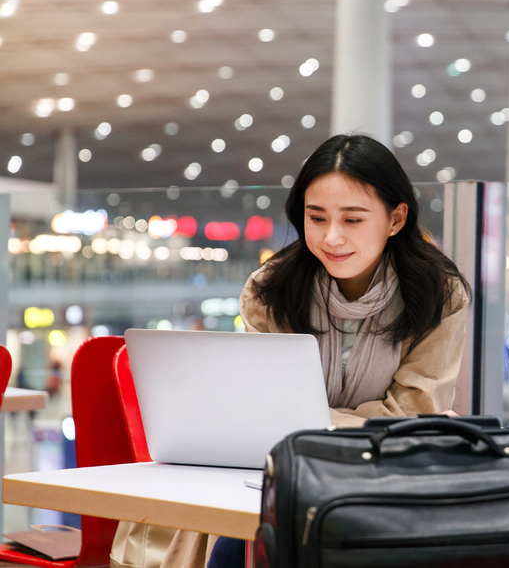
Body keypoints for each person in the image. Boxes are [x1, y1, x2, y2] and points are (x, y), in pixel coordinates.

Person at [156, 134, 471, 568]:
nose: (331, 237)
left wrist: (305, 425)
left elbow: (412, 418)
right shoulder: (270, 291)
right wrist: (346, 423)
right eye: (316, 218)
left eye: (353, 220)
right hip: (286, 482)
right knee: (234, 550)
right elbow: (264, 415)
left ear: (396, 218)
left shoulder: (439, 295)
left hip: (390, 482)